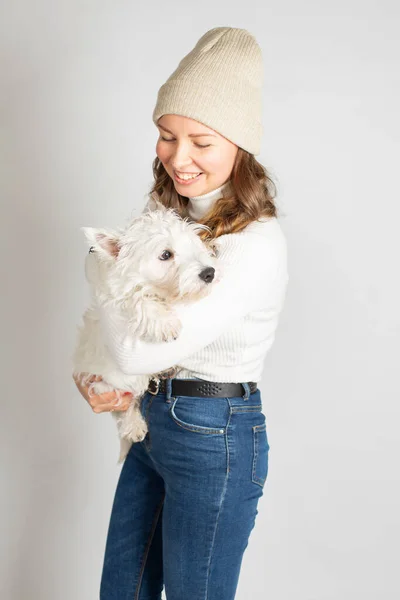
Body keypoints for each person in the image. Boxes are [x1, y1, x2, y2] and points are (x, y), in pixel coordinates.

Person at [73, 26, 289, 600]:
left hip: (213, 432)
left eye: (202, 141)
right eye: (167, 136)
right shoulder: (169, 214)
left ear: (240, 145)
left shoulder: (254, 245)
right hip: (154, 417)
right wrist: (100, 377)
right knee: (122, 591)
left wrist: (106, 276)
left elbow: (132, 342)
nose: (178, 157)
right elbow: (108, 274)